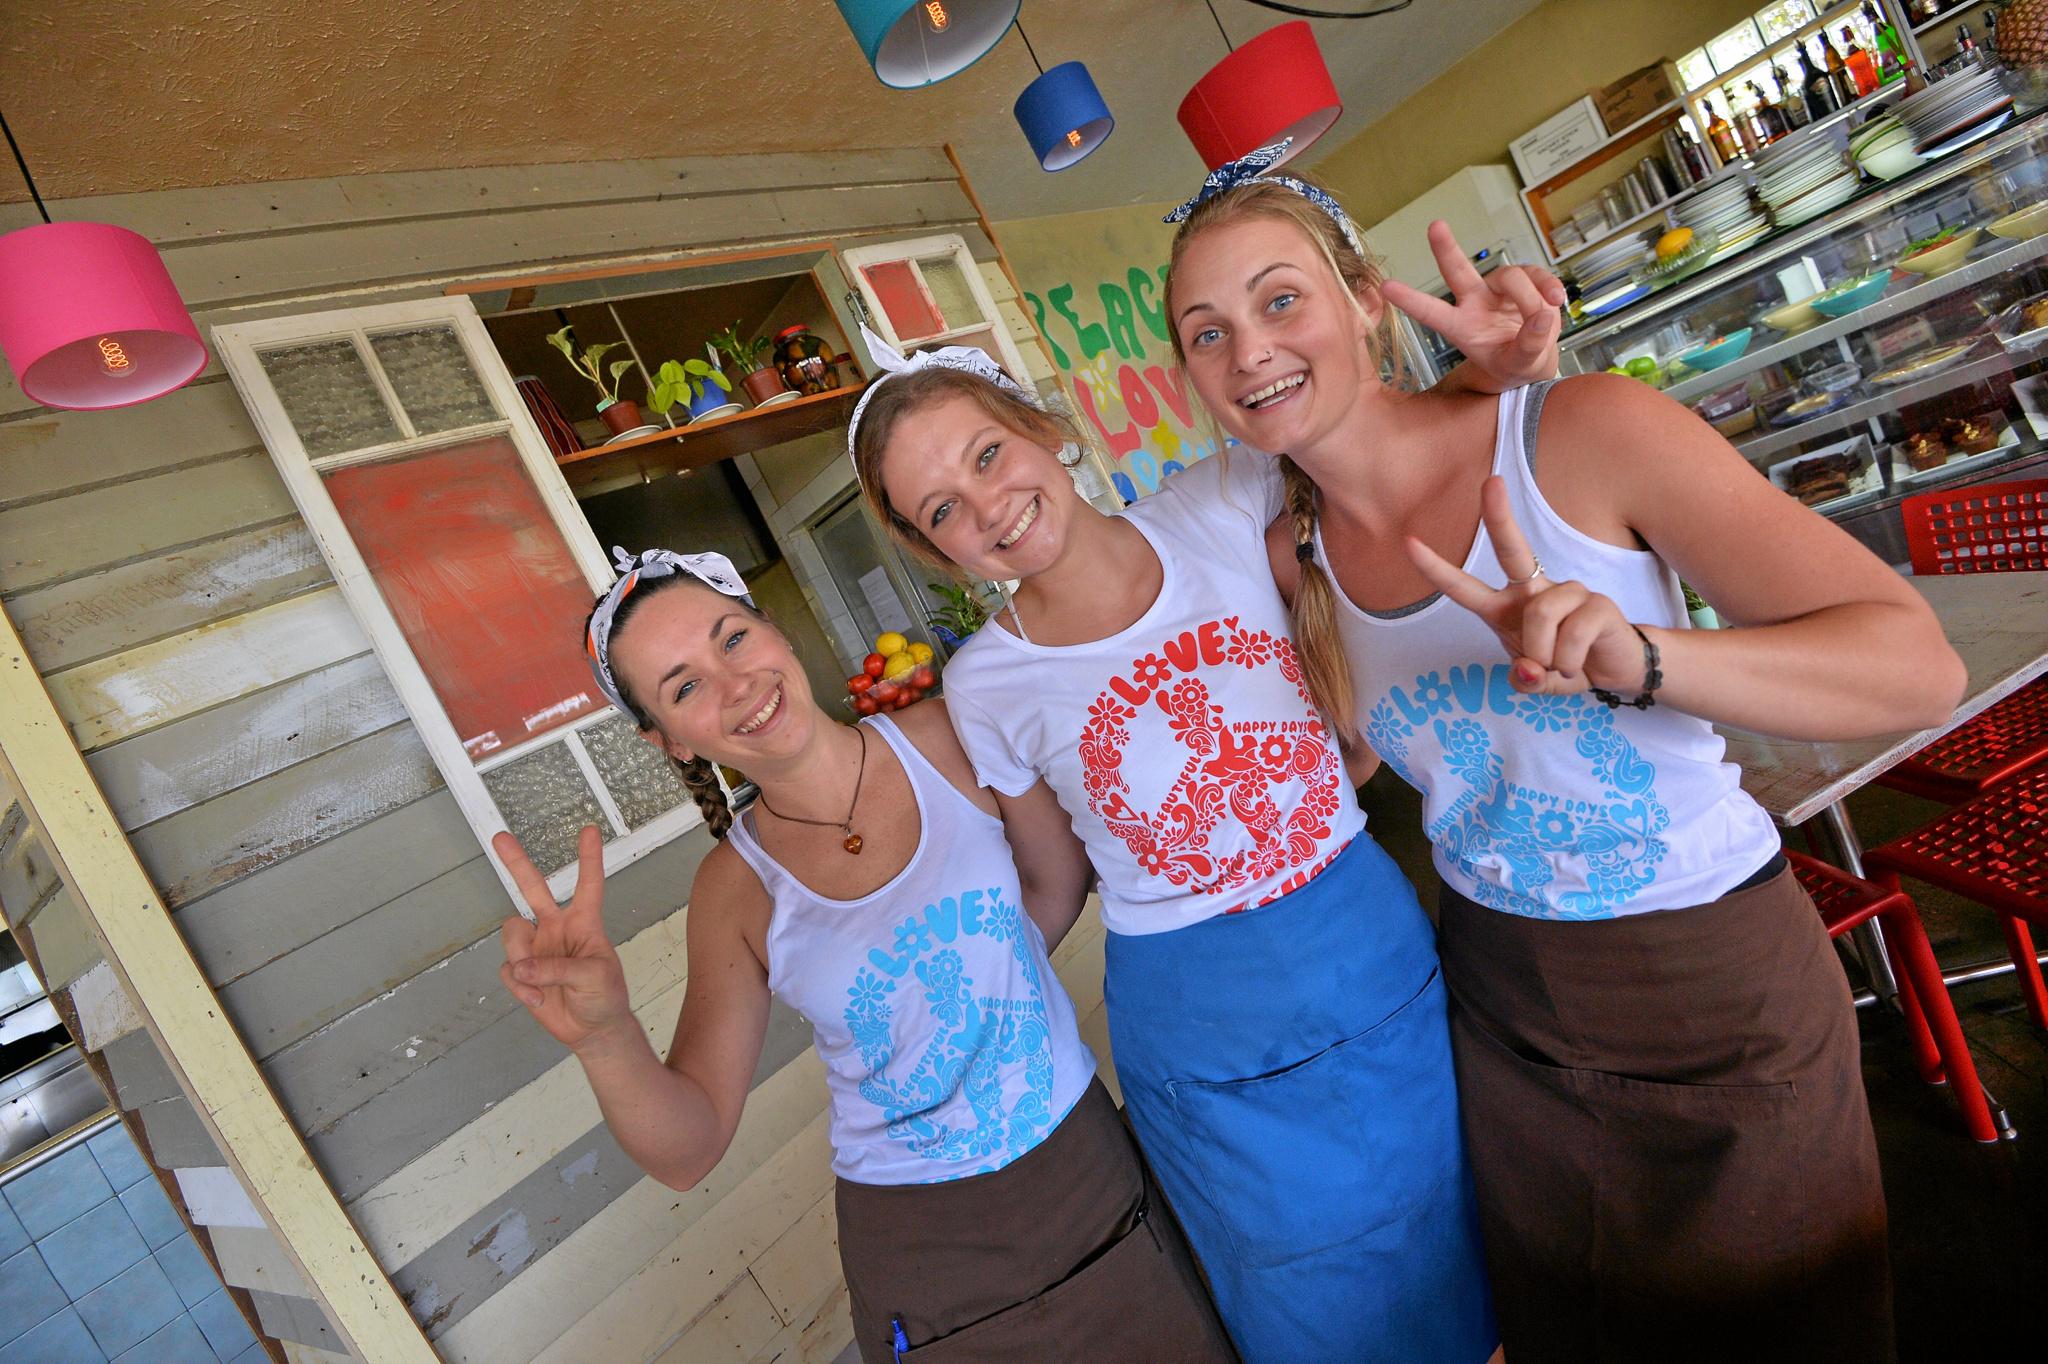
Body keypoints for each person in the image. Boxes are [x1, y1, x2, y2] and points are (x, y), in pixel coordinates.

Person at [1162, 139, 1970, 1363]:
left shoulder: (1575, 431)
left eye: (1280, 299)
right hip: (1503, 1001)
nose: (1250, 350)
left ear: (1363, 300)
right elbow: (1361, 761)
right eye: (1204, 331)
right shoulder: (1291, 561)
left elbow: (1914, 665)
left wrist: (1637, 654)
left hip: (1708, 975)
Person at [846, 243, 1562, 1361]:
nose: (986, 503)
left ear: (1045, 430)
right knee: (1299, 1294)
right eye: (941, 505)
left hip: (1356, 937)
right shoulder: (984, 681)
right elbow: (1051, 878)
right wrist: (933, 983)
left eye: (989, 453)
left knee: (1457, 1225)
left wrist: (1489, 377)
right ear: (927, 545)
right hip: (1195, 1012)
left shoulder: (1222, 500)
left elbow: (1385, 479)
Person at [493, 548, 1234, 1364]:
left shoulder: (951, 734)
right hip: (922, 1242)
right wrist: (606, 1038)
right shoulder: (734, 891)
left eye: (731, 639)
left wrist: (979, 991)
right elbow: (688, 1148)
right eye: (685, 686)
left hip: (1080, 1162)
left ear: (770, 627)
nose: (735, 684)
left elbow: (1055, 880)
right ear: (667, 740)